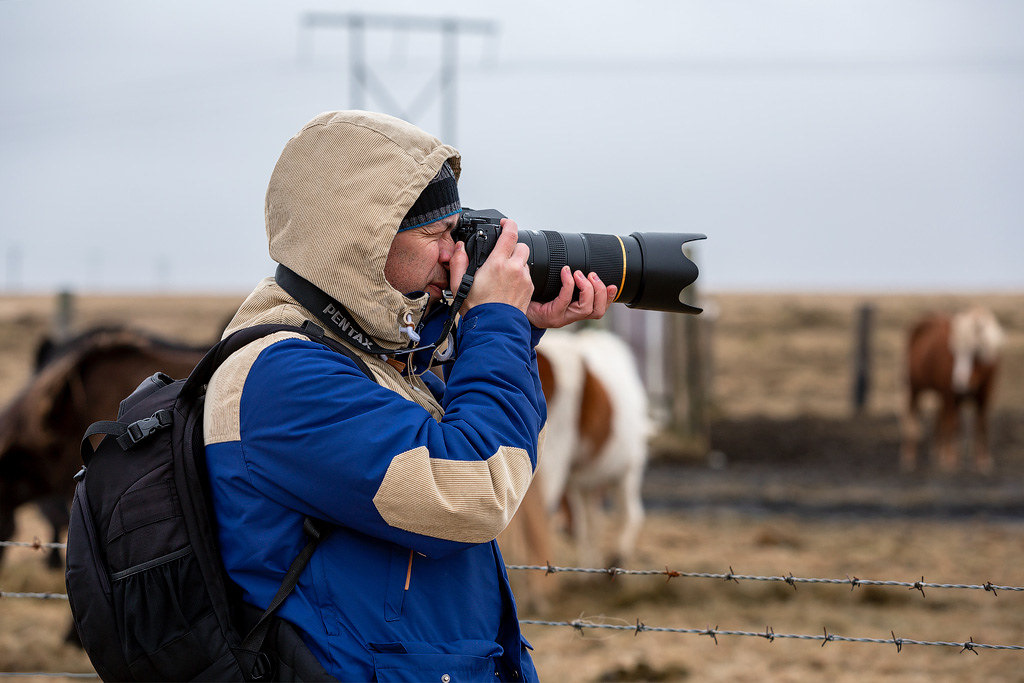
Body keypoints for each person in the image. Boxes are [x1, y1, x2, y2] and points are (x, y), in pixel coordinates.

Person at [203, 110, 615, 681]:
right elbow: (472, 487)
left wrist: (519, 328)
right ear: (360, 243)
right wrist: (495, 321)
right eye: (435, 235)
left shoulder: (359, 354)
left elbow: (441, 411)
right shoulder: (281, 378)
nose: (455, 255)